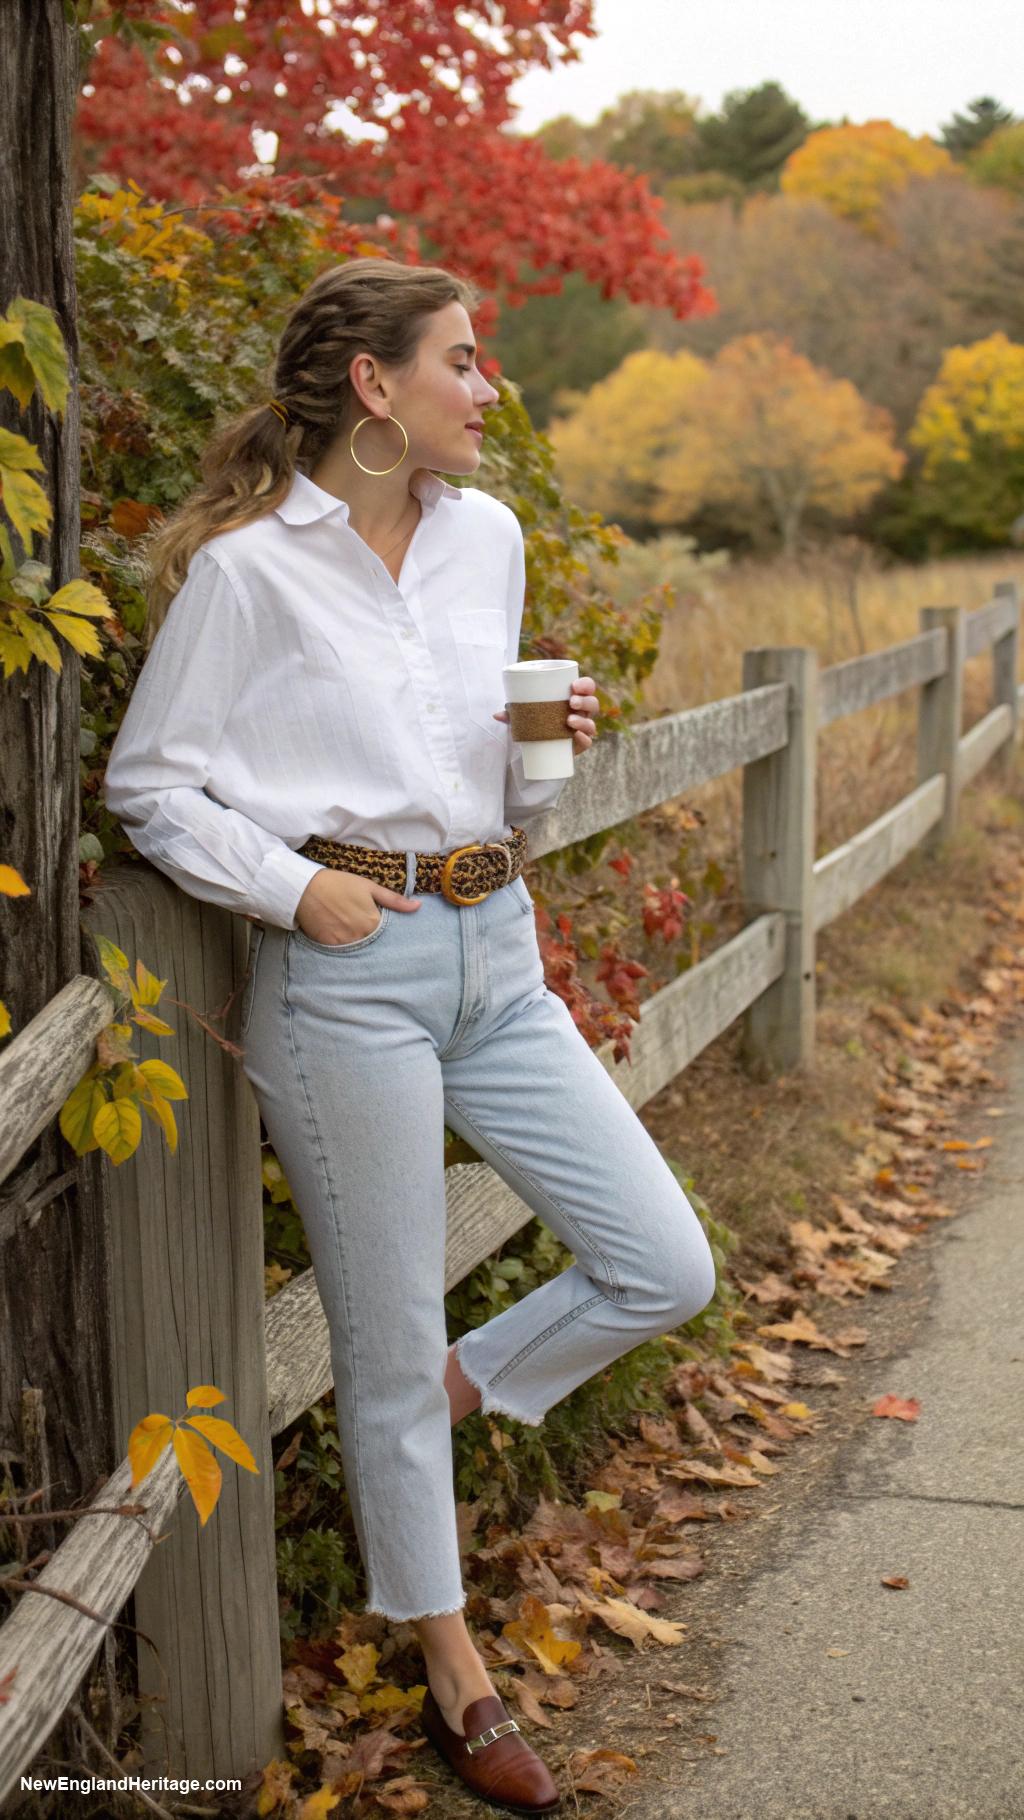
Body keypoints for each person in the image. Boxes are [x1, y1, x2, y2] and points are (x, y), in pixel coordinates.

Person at [103, 257, 717, 1815]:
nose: (487, 385)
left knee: (662, 1264)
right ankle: (455, 1671)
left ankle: (431, 1395)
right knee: (379, 1341)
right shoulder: (247, 576)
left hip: (497, 951)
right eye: (462, 359)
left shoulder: (488, 539)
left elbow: (494, 786)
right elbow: (151, 785)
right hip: (350, 974)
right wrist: (292, 887)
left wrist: (551, 755)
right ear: (375, 386)